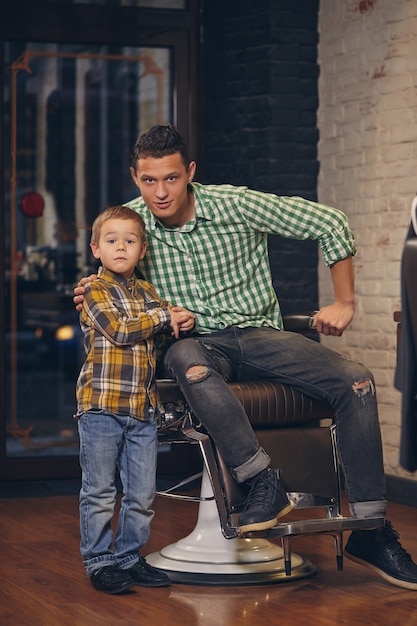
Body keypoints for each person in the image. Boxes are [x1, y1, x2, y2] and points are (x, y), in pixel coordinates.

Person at [74, 124, 417, 590]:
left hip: (259, 335)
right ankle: (262, 481)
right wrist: (91, 291)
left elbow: (330, 223)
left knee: (356, 380)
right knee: (187, 358)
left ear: (190, 172)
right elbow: (107, 268)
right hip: (195, 345)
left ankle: (372, 531)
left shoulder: (234, 204)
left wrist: (345, 302)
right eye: (150, 180)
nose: (160, 192)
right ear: (136, 178)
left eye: (171, 178)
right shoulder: (132, 224)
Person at [75, 205, 195, 594]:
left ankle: (129, 557)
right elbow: (121, 331)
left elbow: (158, 336)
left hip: (142, 409)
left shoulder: (147, 292)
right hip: (101, 406)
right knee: (99, 491)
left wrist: (178, 318)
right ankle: (99, 562)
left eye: (130, 241)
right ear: (96, 248)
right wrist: (163, 316)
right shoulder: (94, 288)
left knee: (142, 494)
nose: (121, 248)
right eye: (112, 241)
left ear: (143, 251)